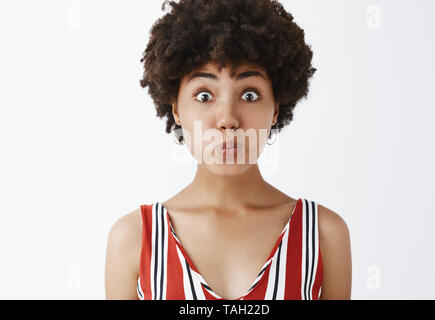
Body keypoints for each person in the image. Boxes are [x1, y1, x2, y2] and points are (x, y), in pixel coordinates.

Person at [105, 0, 351, 300]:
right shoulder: (134, 238)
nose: (227, 120)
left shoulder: (324, 235)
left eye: (249, 95)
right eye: (204, 95)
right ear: (177, 109)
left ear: (276, 108)